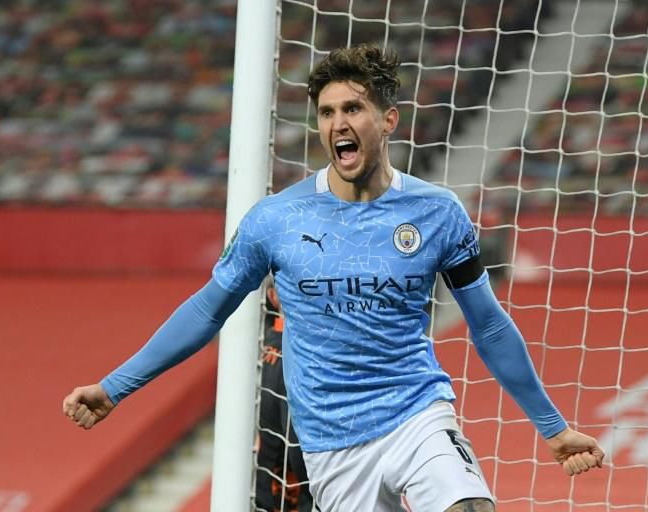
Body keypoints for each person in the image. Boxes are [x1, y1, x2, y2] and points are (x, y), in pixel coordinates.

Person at [63, 43, 605, 512]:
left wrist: (553, 427)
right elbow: (208, 310)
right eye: (326, 112)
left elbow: (487, 325)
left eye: (353, 108)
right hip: (331, 444)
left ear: (388, 120)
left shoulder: (438, 213)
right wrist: (115, 386)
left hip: (416, 414)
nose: (338, 123)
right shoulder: (277, 219)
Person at [256, 276, 313, 512]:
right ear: (272, 296)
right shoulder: (290, 354)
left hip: (269, 485)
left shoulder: (261, 347)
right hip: (287, 490)